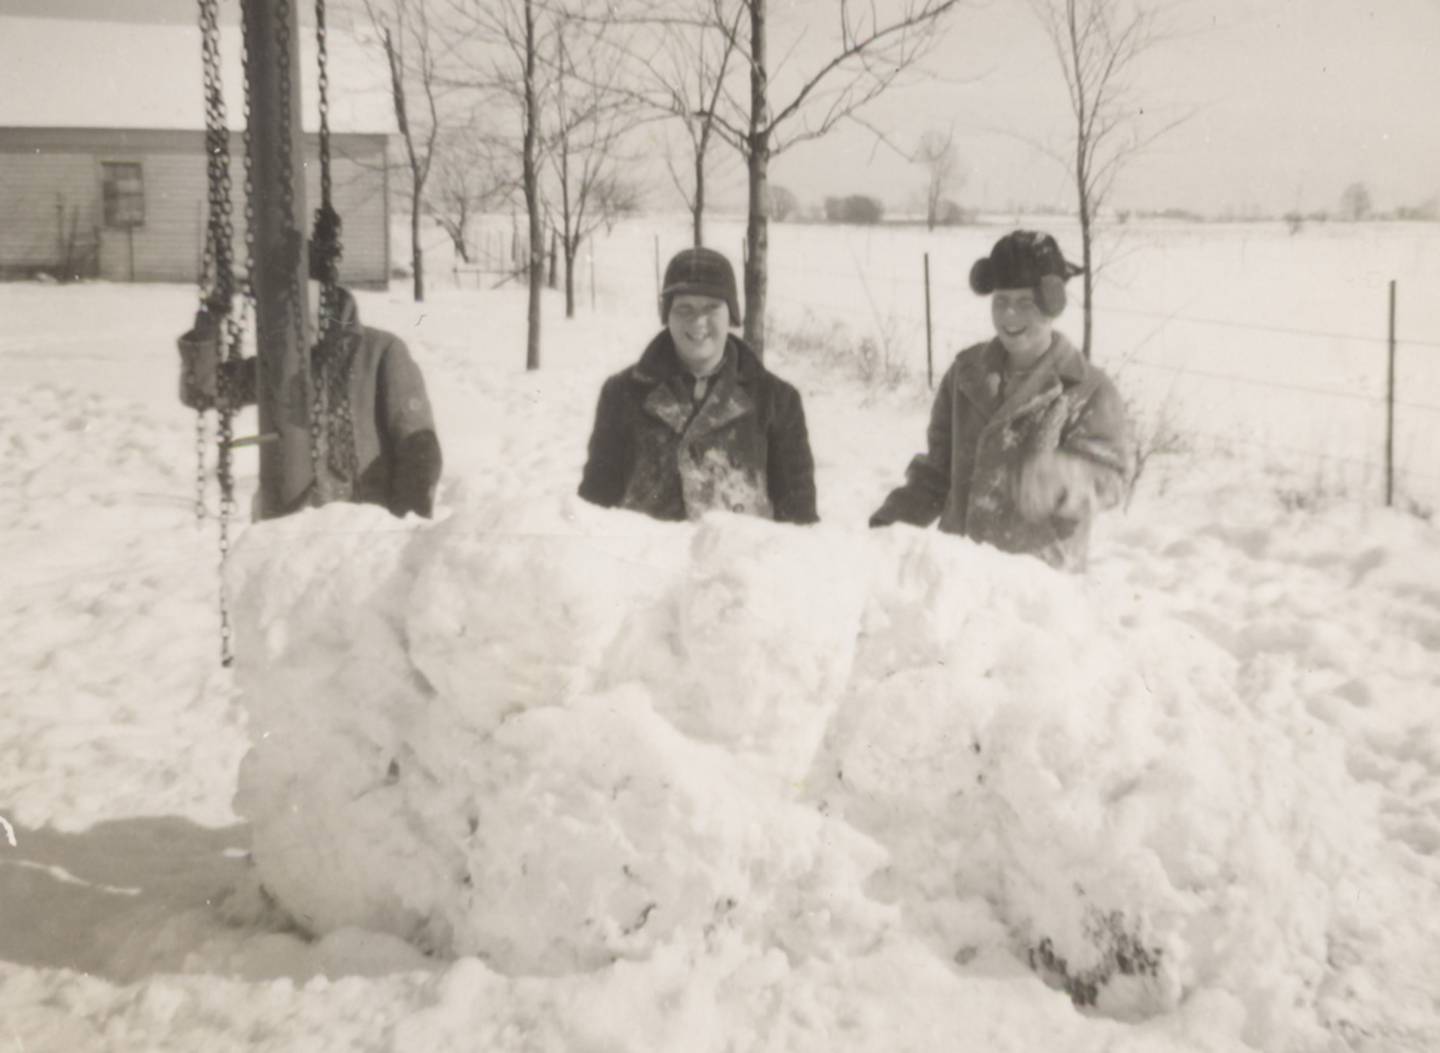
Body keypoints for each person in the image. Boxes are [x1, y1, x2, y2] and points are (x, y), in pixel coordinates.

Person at [869, 230, 1130, 571]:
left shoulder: (1087, 389)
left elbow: (1111, 481)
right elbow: (936, 475)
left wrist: (1065, 480)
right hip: (956, 575)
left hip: (1034, 592)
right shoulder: (965, 375)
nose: (1009, 317)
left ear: (1052, 305)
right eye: (1001, 301)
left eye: (1026, 304)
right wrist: (885, 528)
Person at [579, 246, 818, 524]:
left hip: (737, 564)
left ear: (732, 314)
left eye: (711, 308)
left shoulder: (778, 400)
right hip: (645, 562)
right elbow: (594, 507)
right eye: (684, 308)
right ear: (667, 314)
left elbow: (799, 521)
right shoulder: (622, 393)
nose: (698, 321)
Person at [177, 279, 442, 519]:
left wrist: (406, 523)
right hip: (291, 524)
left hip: (364, 524)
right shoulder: (282, 364)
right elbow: (202, 391)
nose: (303, 338)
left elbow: (418, 446)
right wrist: (208, 326)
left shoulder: (381, 352)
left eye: (309, 324)